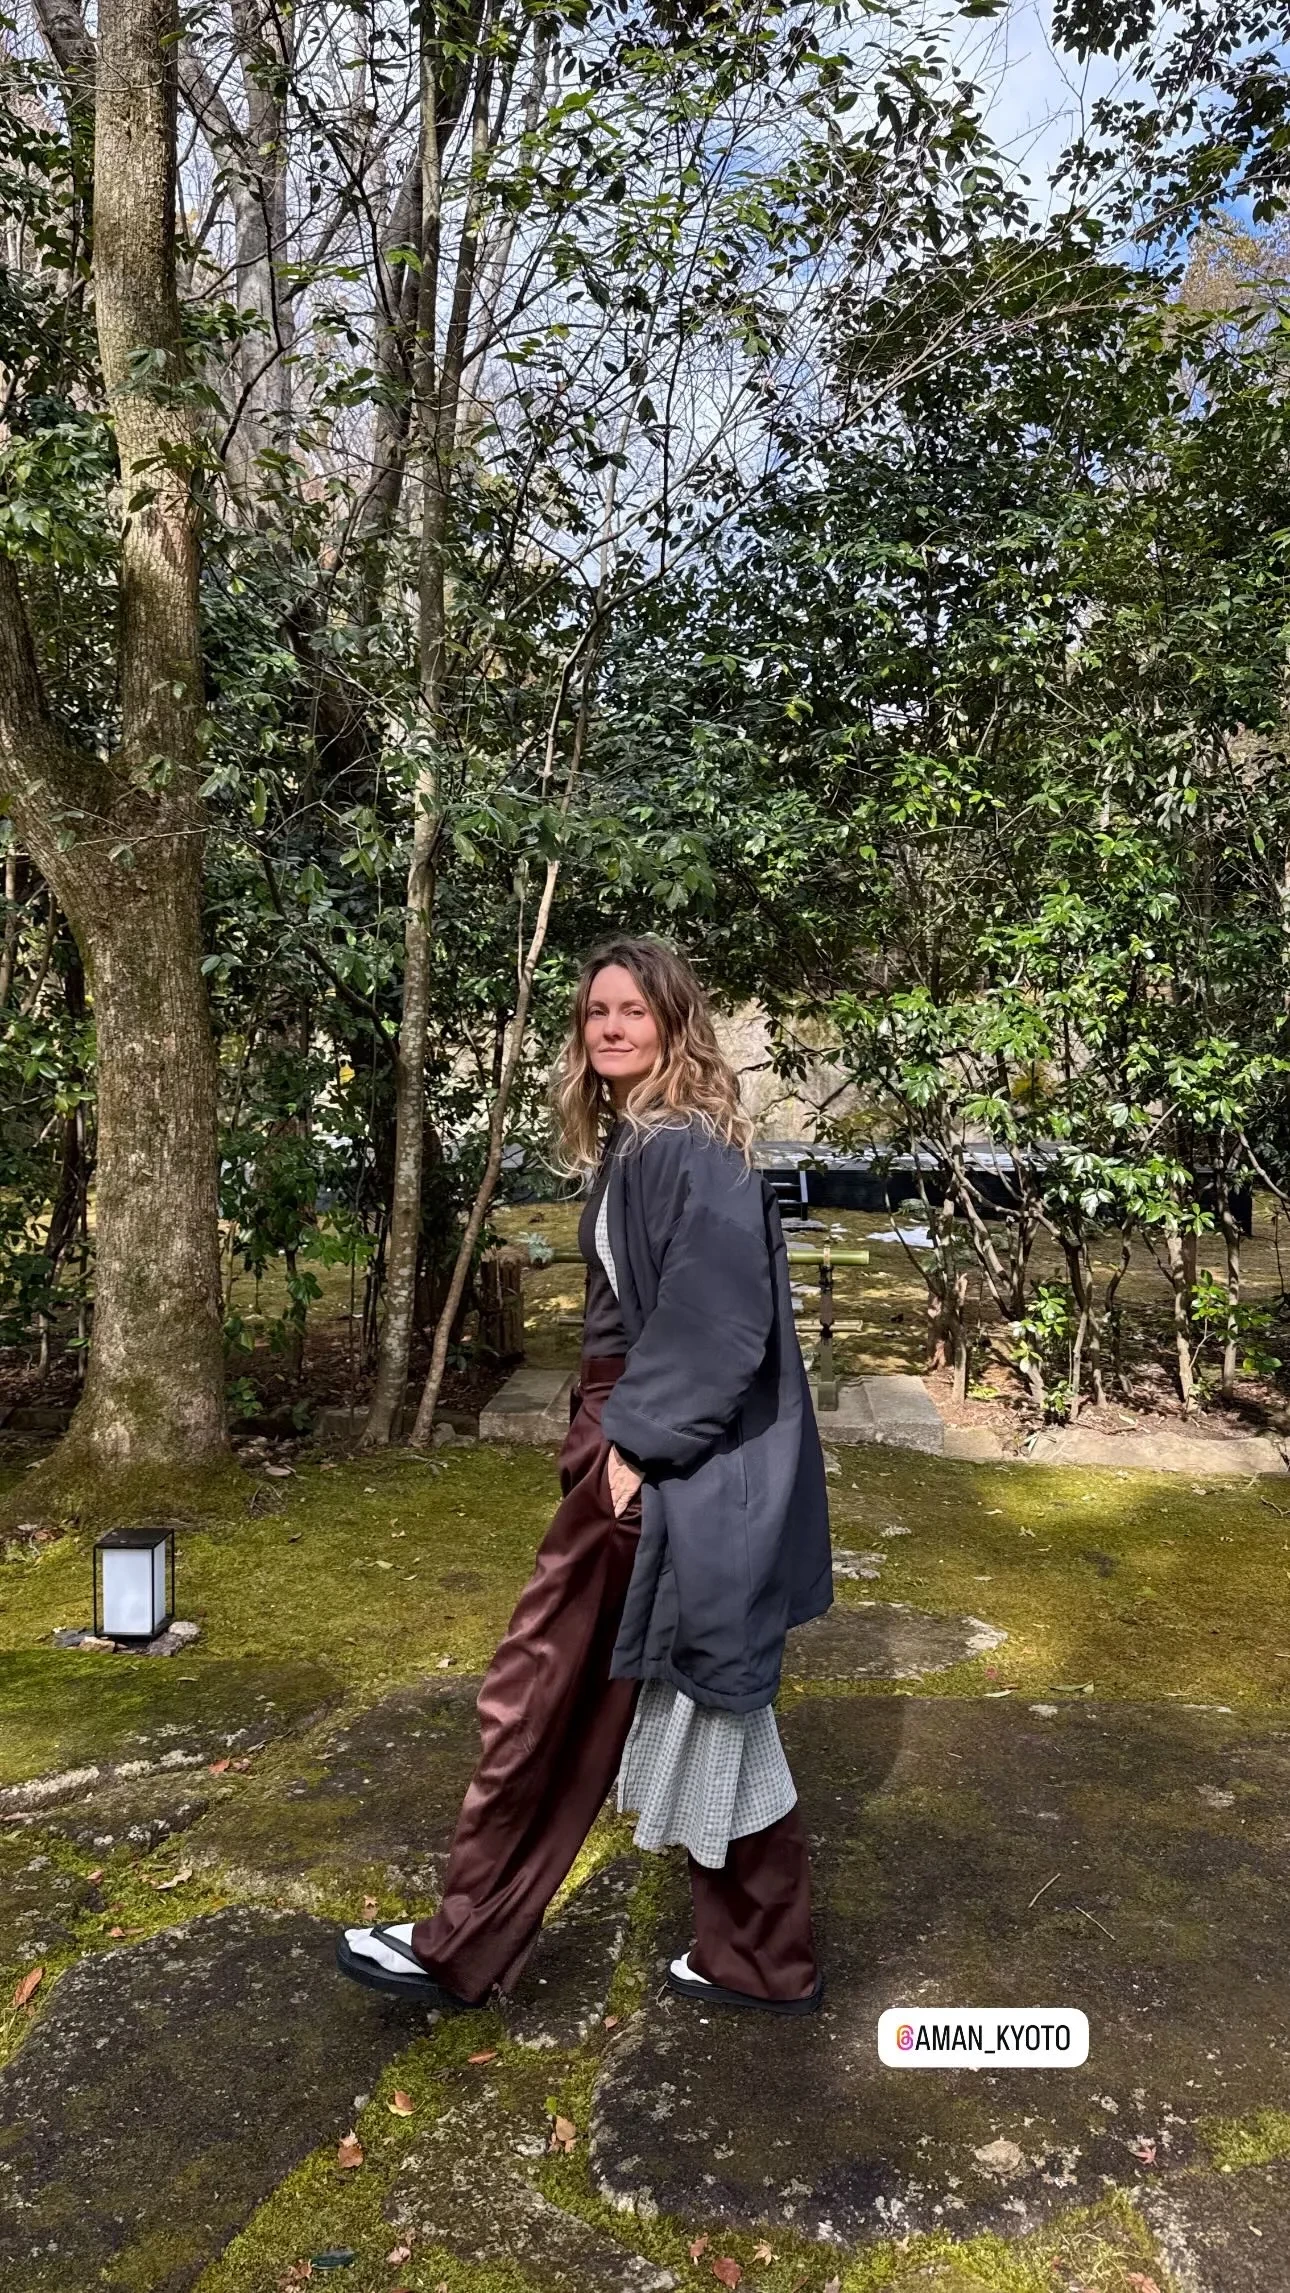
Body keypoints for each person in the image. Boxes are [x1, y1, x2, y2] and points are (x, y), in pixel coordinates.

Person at [336, 936, 833, 2014]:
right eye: (596, 1011)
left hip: (663, 1458)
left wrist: (634, 1450)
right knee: (712, 1698)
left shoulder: (685, 1148)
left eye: (632, 1010)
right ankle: (760, 1956)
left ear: (673, 1023)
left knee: (541, 1689)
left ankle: (459, 1941)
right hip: (643, 1444)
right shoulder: (643, 1141)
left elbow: (717, 1324)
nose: (609, 1026)